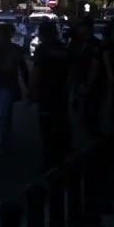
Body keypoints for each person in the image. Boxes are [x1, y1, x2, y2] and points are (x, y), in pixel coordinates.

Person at [30, 21, 71, 170]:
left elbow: (36, 72)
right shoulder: (63, 48)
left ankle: (50, 161)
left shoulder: (42, 50)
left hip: (46, 94)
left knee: (47, 129)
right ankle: (64, 157)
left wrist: (31, 92)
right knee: (62, 126)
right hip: (61, 93)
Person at [0, 23, 29, 152]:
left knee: (1, 114)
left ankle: (0, 136)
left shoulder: (16, 50)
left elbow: (23, 68)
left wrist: (28, 86)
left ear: (5, 36)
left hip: (7, 85)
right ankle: (0, 131)